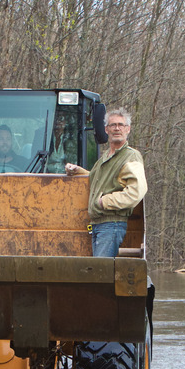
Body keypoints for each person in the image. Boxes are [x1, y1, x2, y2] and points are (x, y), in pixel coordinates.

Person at [65, 107, 147, 257]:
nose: (117, 128)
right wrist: (78, 171)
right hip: (98, 225)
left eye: (121, 125)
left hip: (112, 224)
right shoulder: (105, 158)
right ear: (106, 130)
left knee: (100, 274)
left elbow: (137, 191)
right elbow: (99, 180)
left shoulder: (131, 156)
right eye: (112, 125)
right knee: (99, 273)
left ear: (127, 129)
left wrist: (105, 201)